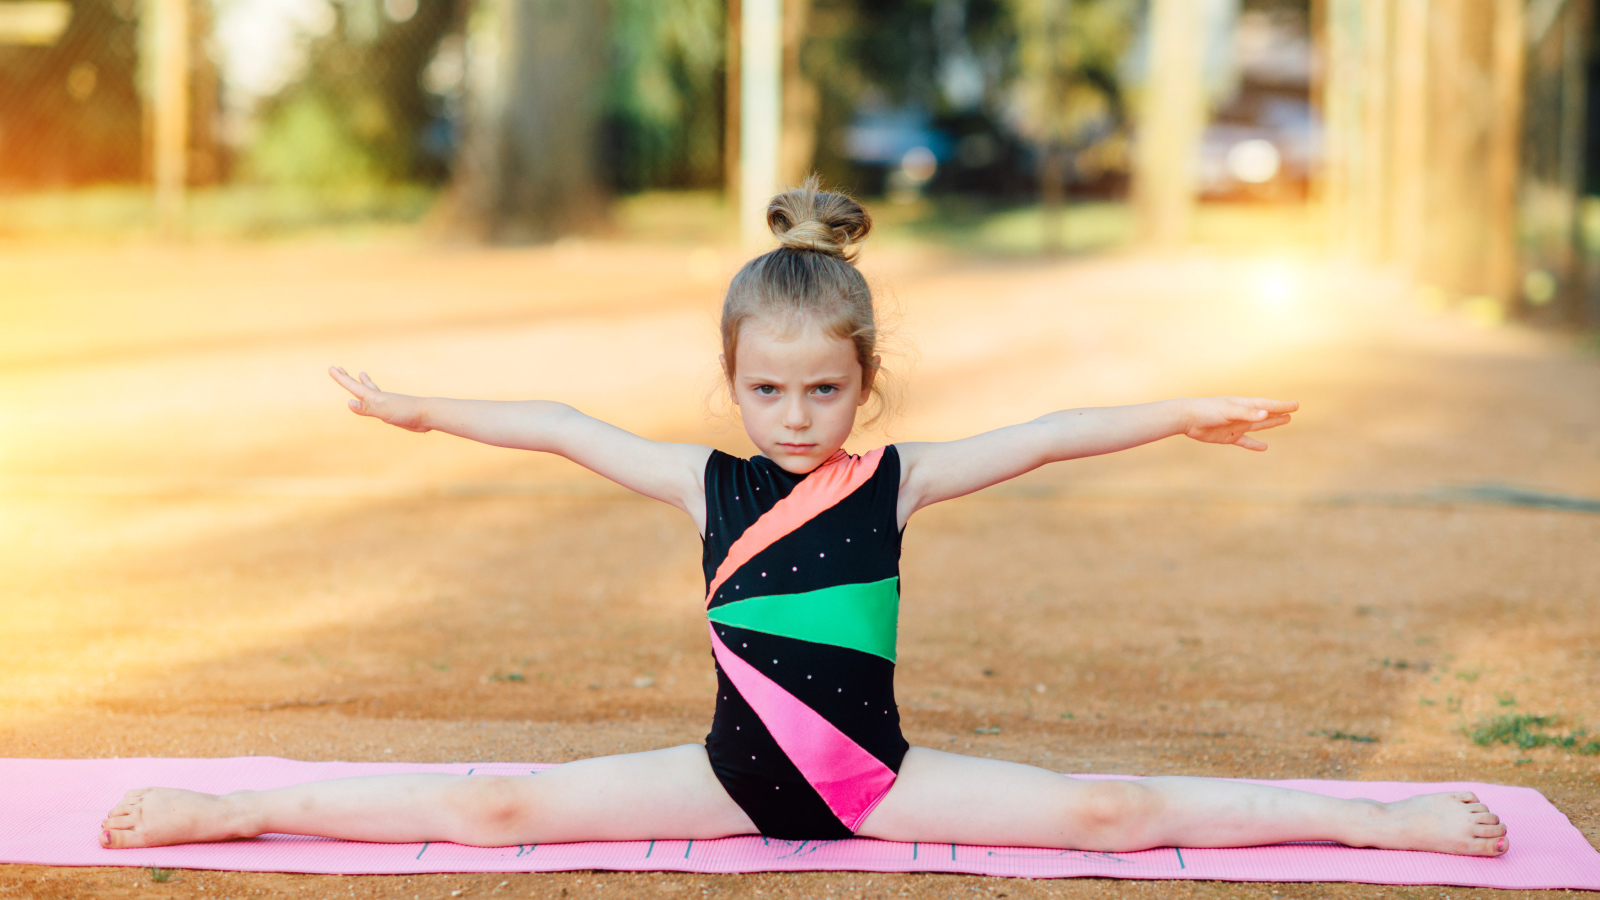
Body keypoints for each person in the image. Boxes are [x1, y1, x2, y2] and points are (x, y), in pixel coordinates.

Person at [100, 180, 1507, 858]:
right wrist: (428, 411)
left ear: (862, 383)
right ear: (733, 382)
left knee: (1114, 811)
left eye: (821, 389)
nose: (792, 415)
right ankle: (240, 804)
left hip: (877, 782)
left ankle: (1383, 823)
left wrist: (1188, 414)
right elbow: (562, 428)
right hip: (724, 776)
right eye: (766, 388)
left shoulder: (897, 479)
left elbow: (1053, 433)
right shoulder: (703, 483)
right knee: (500, 809)